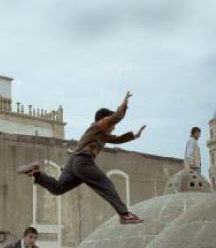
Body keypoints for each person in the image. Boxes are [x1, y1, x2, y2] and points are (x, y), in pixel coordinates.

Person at [17, 91, 146, 225]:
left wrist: (134, 136)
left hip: (73, 163)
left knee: (58, 188)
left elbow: (117, 139)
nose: (113, 128)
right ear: (104, 120)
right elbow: (117, 117)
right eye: (112, 125)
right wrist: (124, 103)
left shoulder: (102, 135)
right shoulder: (98, 126)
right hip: (83, 161)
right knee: (106, 185)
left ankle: (36, 174)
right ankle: (124, 214)